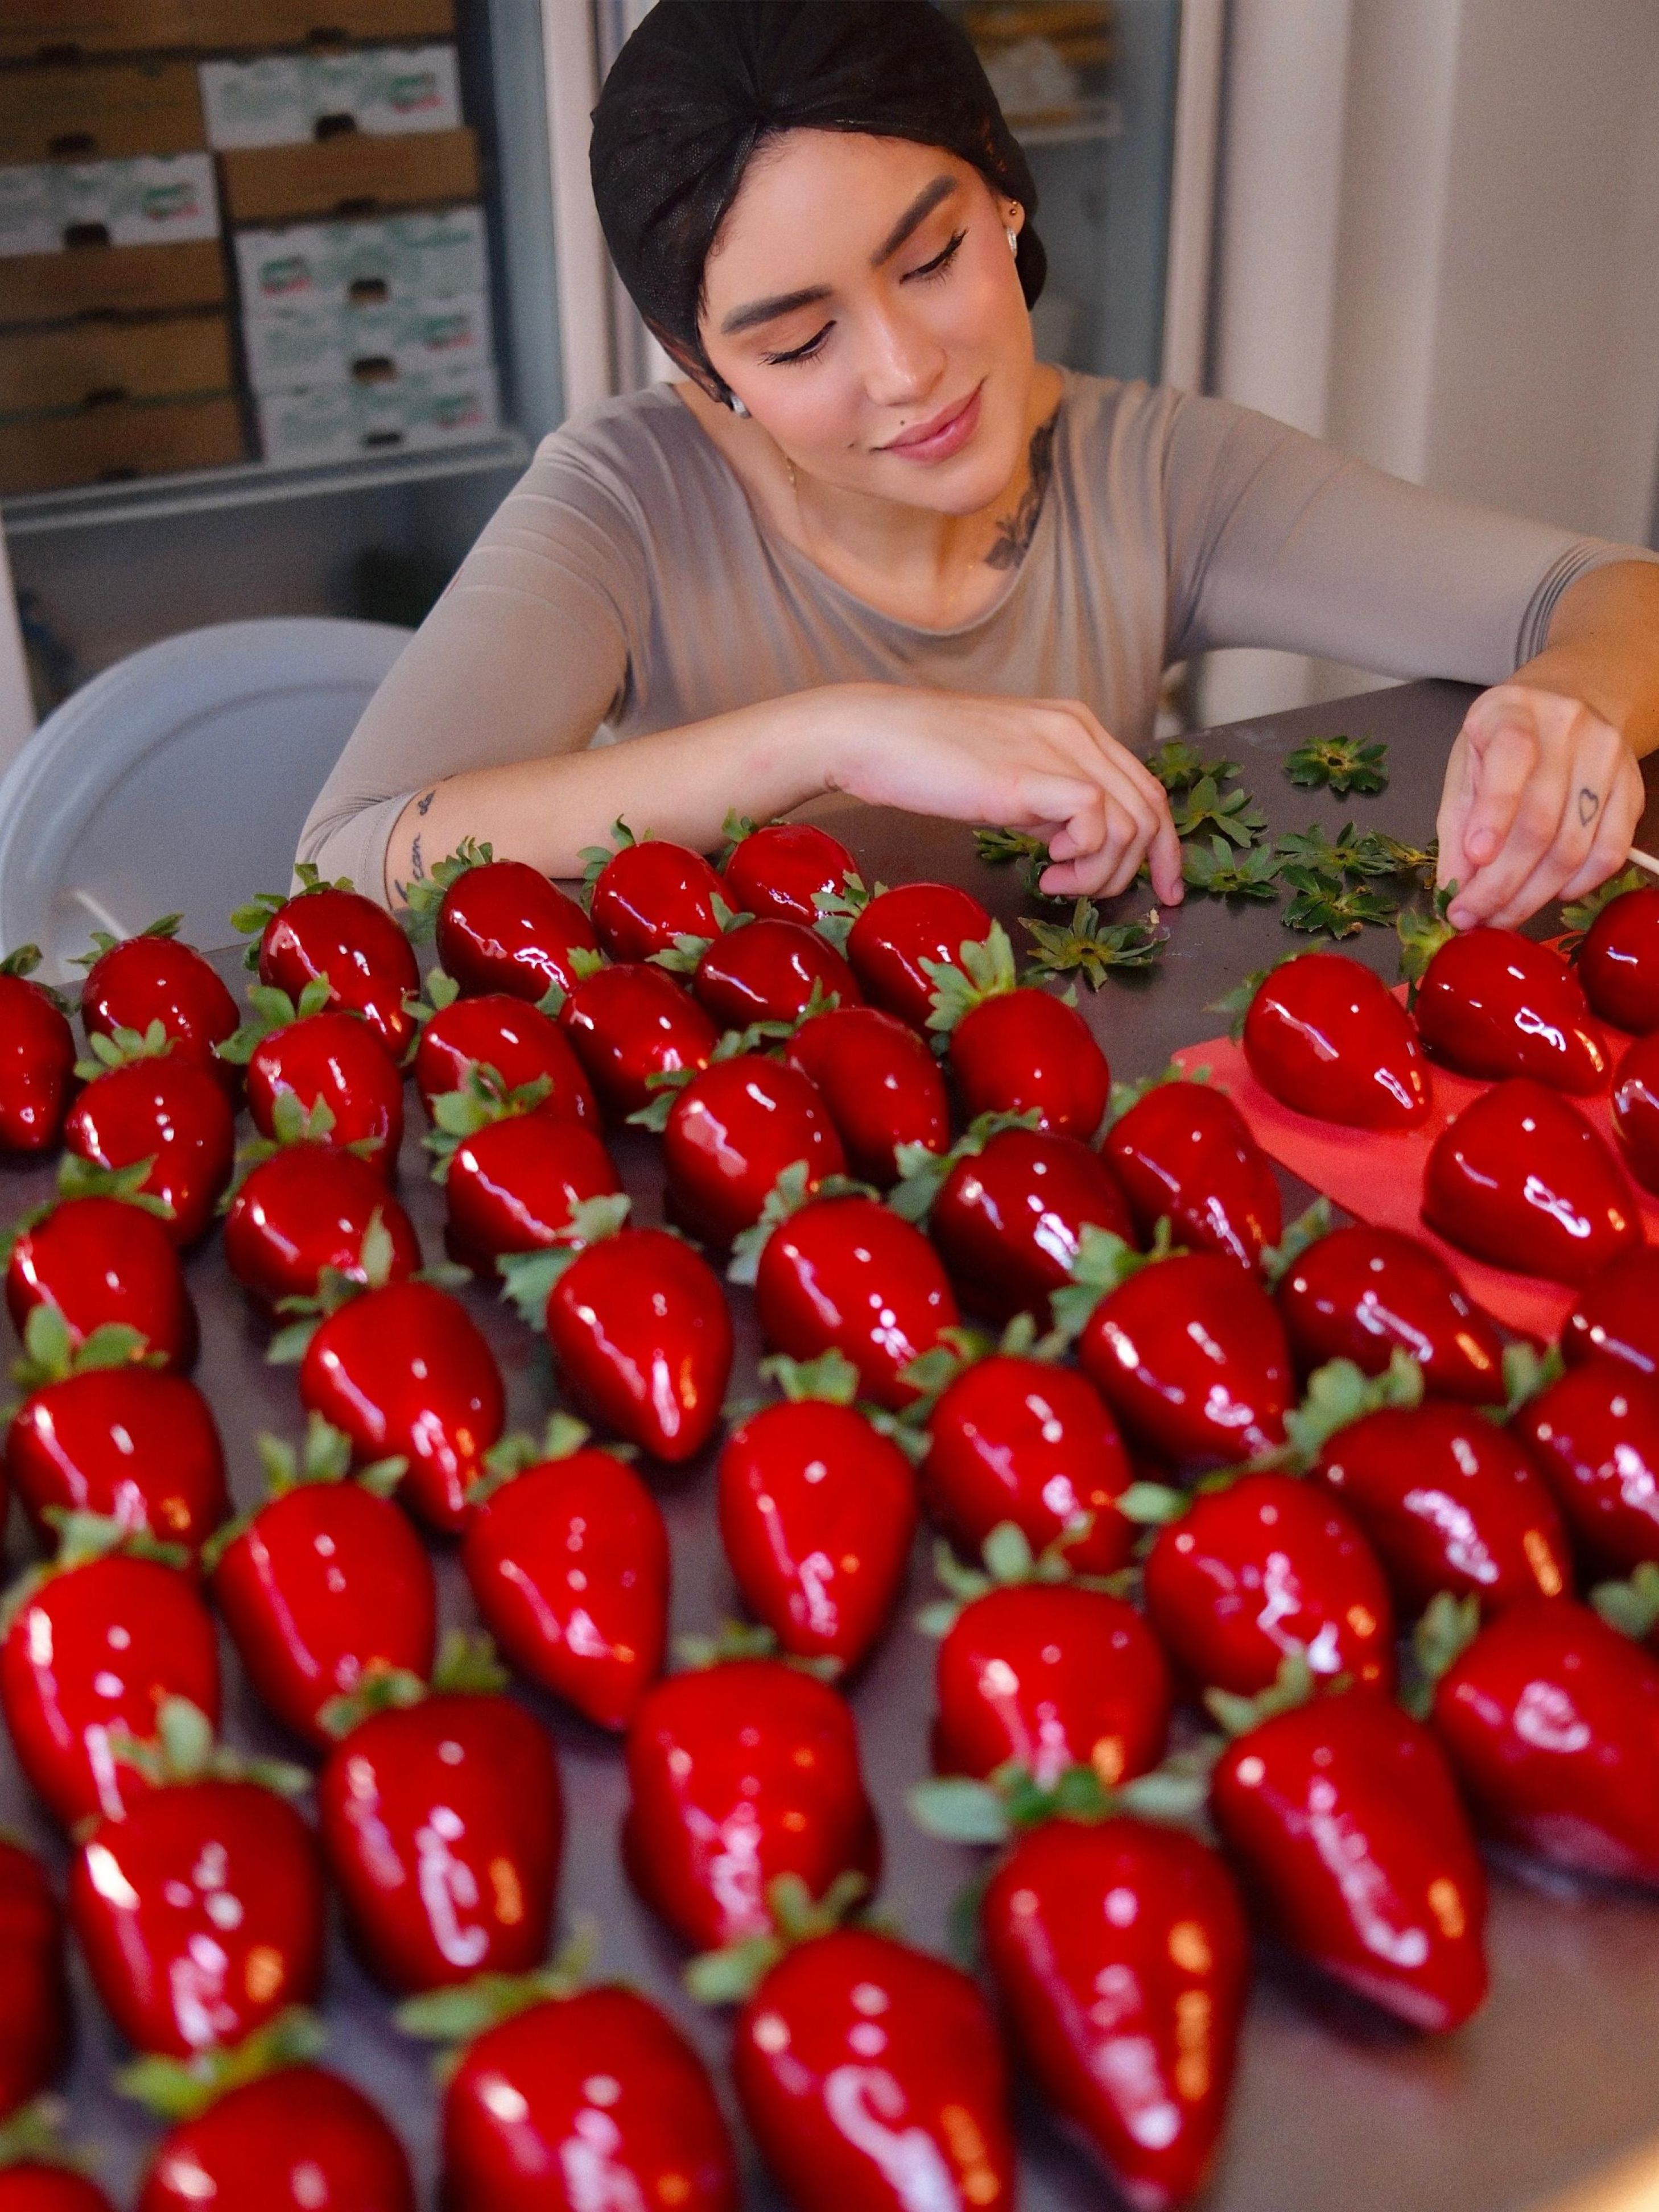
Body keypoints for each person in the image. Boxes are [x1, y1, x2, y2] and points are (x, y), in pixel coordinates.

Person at [299, 0, 1659, 934]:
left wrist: (1569, 697)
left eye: (934, 260)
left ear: (1006, 192)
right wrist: (830, 733)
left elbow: (1610, 591)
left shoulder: (1157, 474)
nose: (905, 371)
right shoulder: (628, 501)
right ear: (698, 359)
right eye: (799, 341)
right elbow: (348, 861)